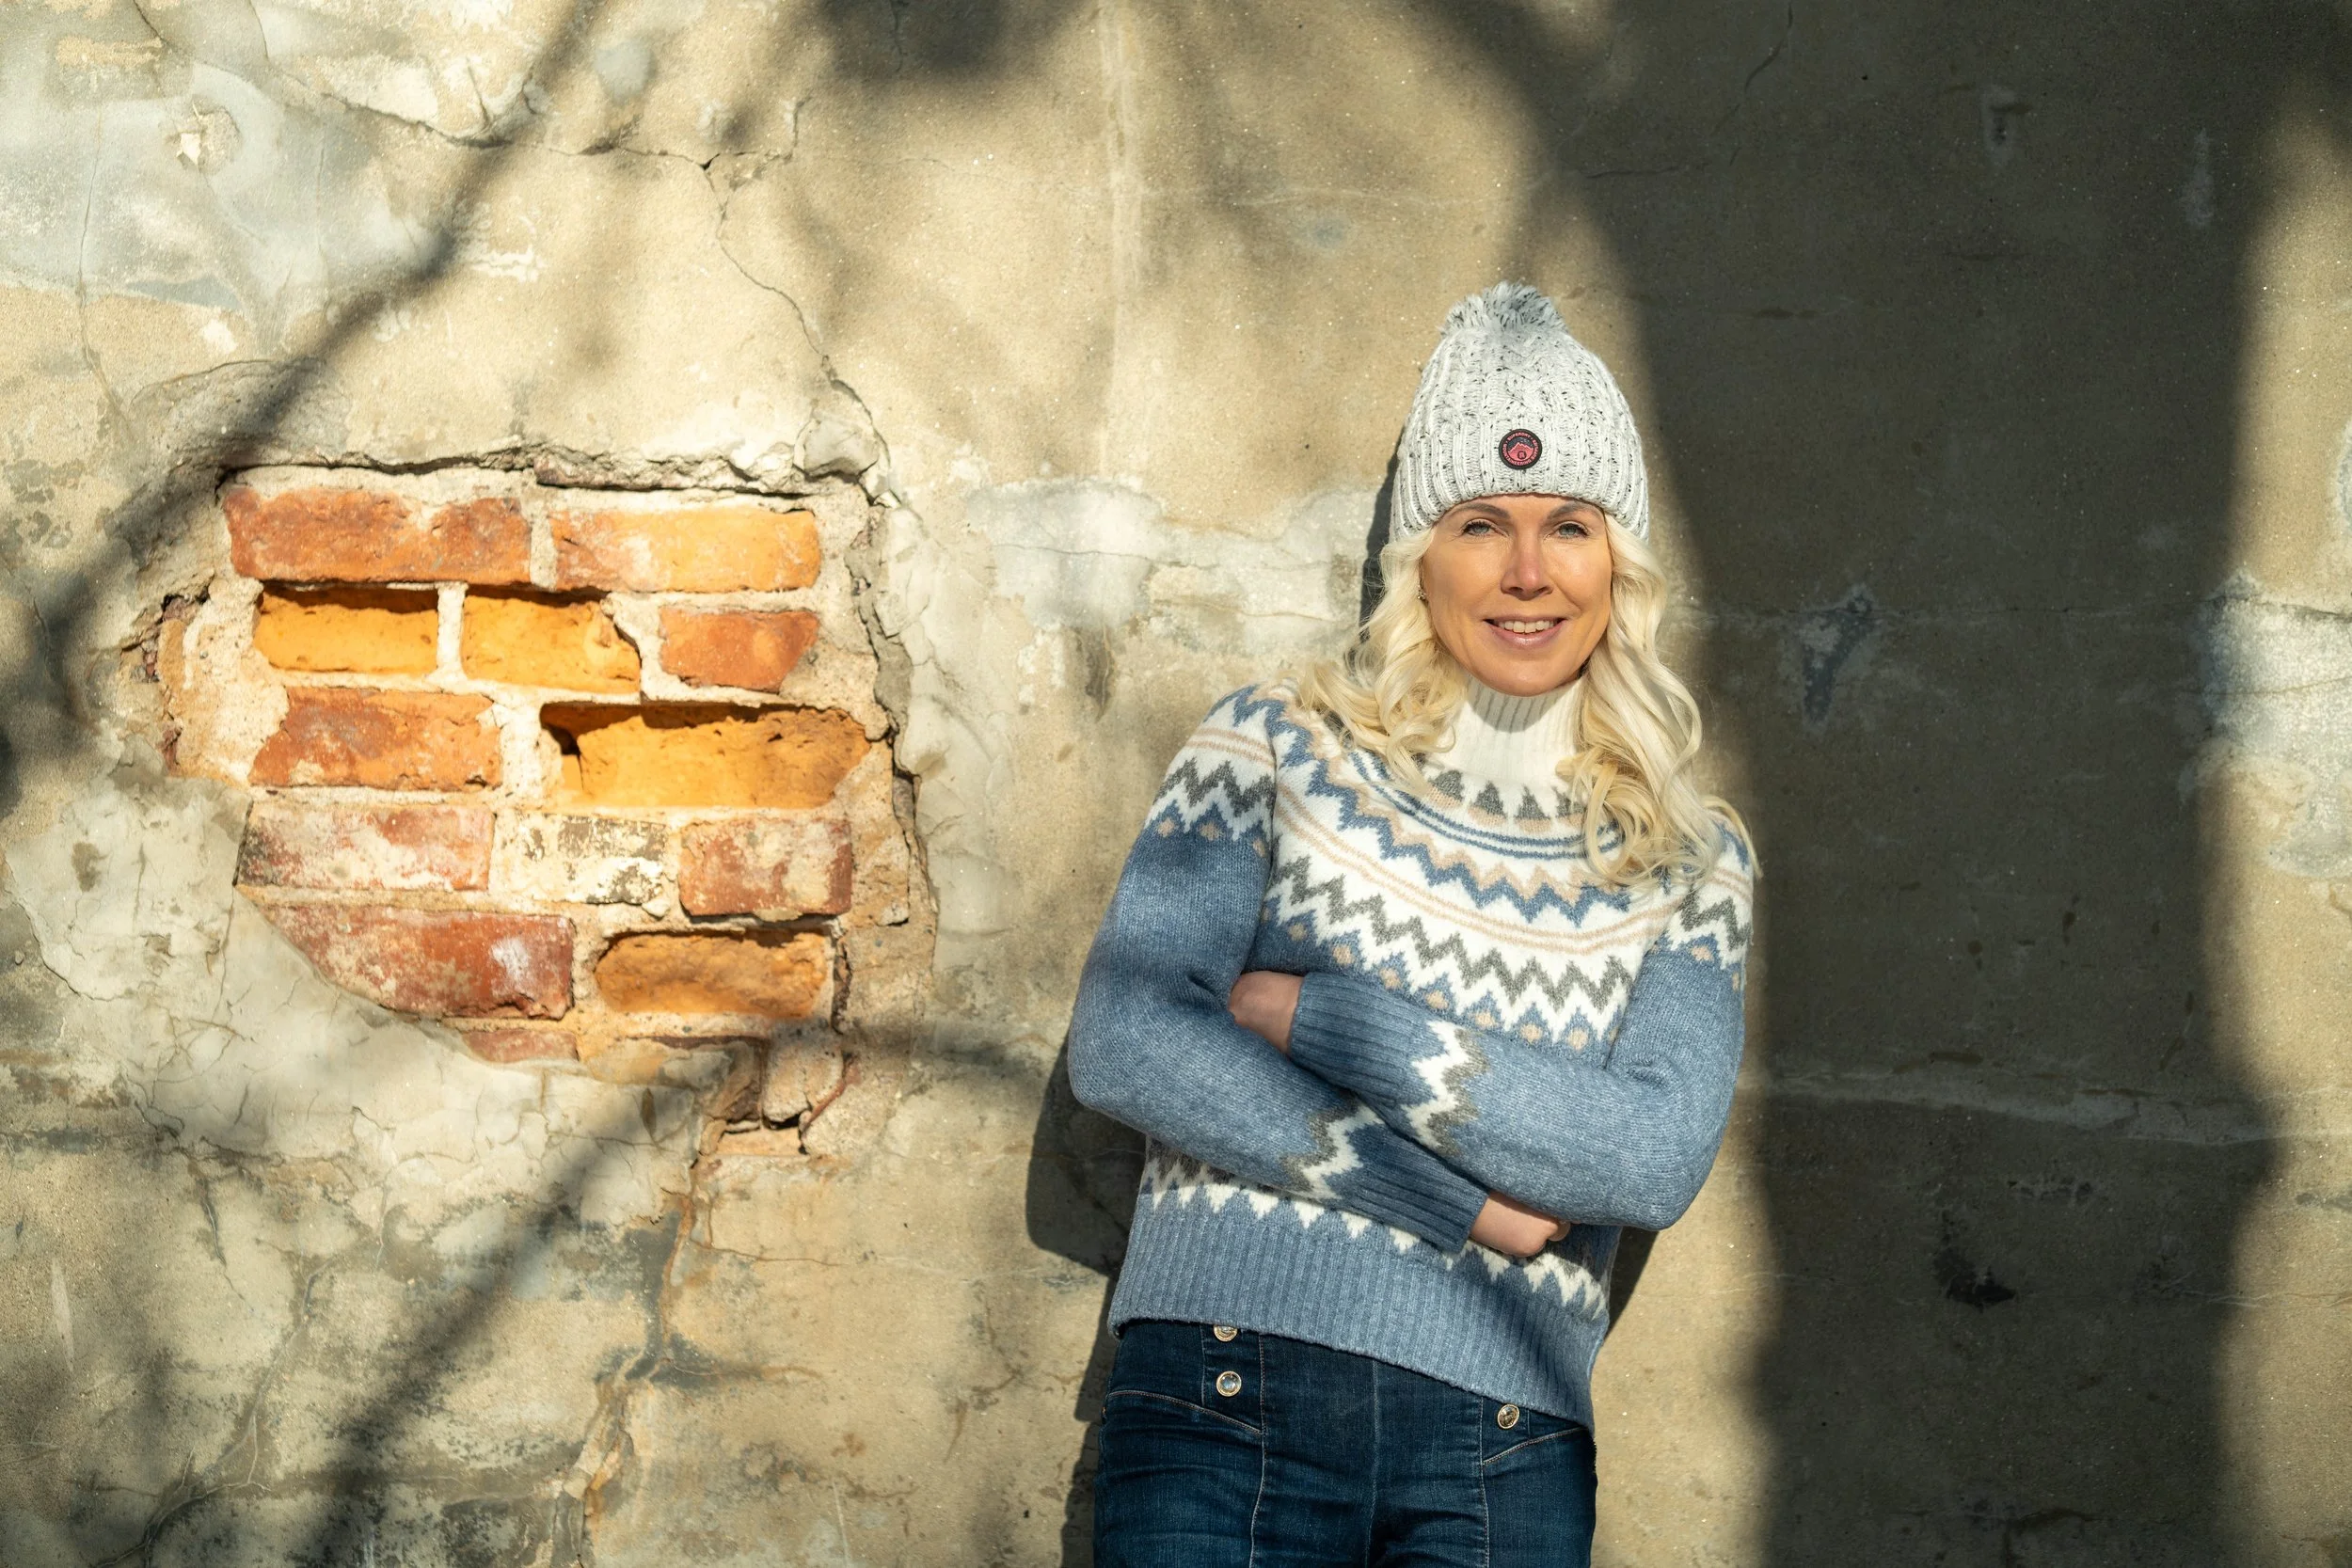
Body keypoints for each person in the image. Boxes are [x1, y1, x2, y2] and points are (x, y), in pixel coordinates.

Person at [1067, 282, 1756, 1568]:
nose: (1530, 571)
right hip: (1225, 1392)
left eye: (1571, 525)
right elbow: (1127, 1043)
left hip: (1502, 1446)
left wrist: (1325, 1015)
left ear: (1622, 559)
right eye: (1481, 522)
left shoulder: (1690, 860)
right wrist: (1449, 1198)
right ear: (1419, 552)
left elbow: (1650, 1156)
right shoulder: (1273, 745)